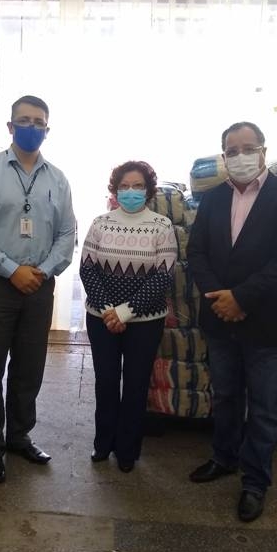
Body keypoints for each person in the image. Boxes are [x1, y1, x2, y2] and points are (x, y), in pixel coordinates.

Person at [186, 121, 277, 522]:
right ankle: (224, 457)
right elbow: (197, 253)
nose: (240, 156)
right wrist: (220, 297)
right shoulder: (212, 199)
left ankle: (255, 482)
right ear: (223, 157)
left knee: (264, 407)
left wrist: (240, 298)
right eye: (232, 150)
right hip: (220, 318)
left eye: (248, 148)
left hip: (267, 320)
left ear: (263, 151)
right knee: (225, 395)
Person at [0, 95, 77, 484]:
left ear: (47, 129)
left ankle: (19, 436)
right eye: (24, 120)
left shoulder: (57, 179)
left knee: (30, 366)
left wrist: (42, 271)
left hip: (39, 285)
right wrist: (13, 271)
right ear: (10, 127)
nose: (32, 127)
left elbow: (67, 234)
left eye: (39, 122)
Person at [79, 161, 176, 472]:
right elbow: (87, 268)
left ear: (148, 190)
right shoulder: (100, 223)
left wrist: (124, 312)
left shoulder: (162, 226)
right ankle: (103, 443)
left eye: (137, 186)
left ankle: (127, 450)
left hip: (145, 322)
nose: (130, 191)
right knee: (106, 382)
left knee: (135, 385)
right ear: (115, 190)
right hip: (101, 318)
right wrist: (108, 310)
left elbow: (163, 275)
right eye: (124, 186)